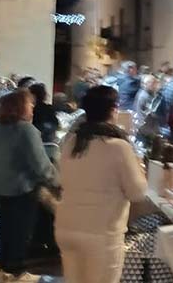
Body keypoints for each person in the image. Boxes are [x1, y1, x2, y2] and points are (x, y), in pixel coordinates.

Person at [56, 86, 148, 283]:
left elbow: (62, 180)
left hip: (67, 226)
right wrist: (139, 166)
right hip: (100, 232)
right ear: (113, 109)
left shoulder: (73, 141)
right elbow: (137, 192)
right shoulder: (119, 147)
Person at [0, 90, 59, 282]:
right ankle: (17, 272)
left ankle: (5, 270)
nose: (33, 108)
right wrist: (57, 181)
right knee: (20, 232)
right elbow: (40, 164)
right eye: (30, 104)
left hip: (1, 187)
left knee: (6, 230)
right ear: (20, 107)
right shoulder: (26, 130)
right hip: (22, 188)